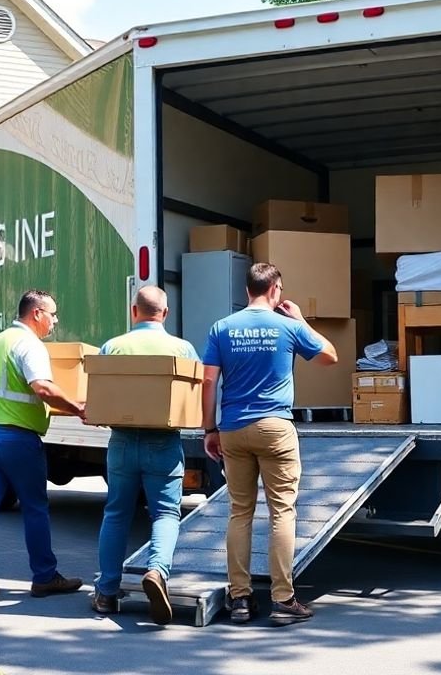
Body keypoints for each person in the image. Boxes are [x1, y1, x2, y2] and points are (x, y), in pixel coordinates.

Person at [201, 263, 338, 626]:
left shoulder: (221, 328)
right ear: (276, 289)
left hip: (232, 428)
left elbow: (208, 382)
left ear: (247, 290)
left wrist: (209, 429)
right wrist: (302, 320)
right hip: (276, 428)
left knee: (239, 512)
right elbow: (330, 356)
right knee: (282, 512)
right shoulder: (289, 326)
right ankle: (283, 598)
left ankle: (240, 599)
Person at [0, 290, 87, 604]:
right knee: (34, 508)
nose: (55, 321)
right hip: (17, 439)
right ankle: (45, 577)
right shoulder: (30, 345)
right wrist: (78, 408)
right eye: (53, 314)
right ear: (36, 314)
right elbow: (42, 387)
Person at [91, 286, 199, 624]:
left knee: (117, 514)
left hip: (122, 441)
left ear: (133, 311)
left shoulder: (113, 346)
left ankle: (107, 593)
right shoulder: (182, 349)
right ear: (165, 314)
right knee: (165, 514)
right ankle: (157, 571)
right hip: (164, 443)